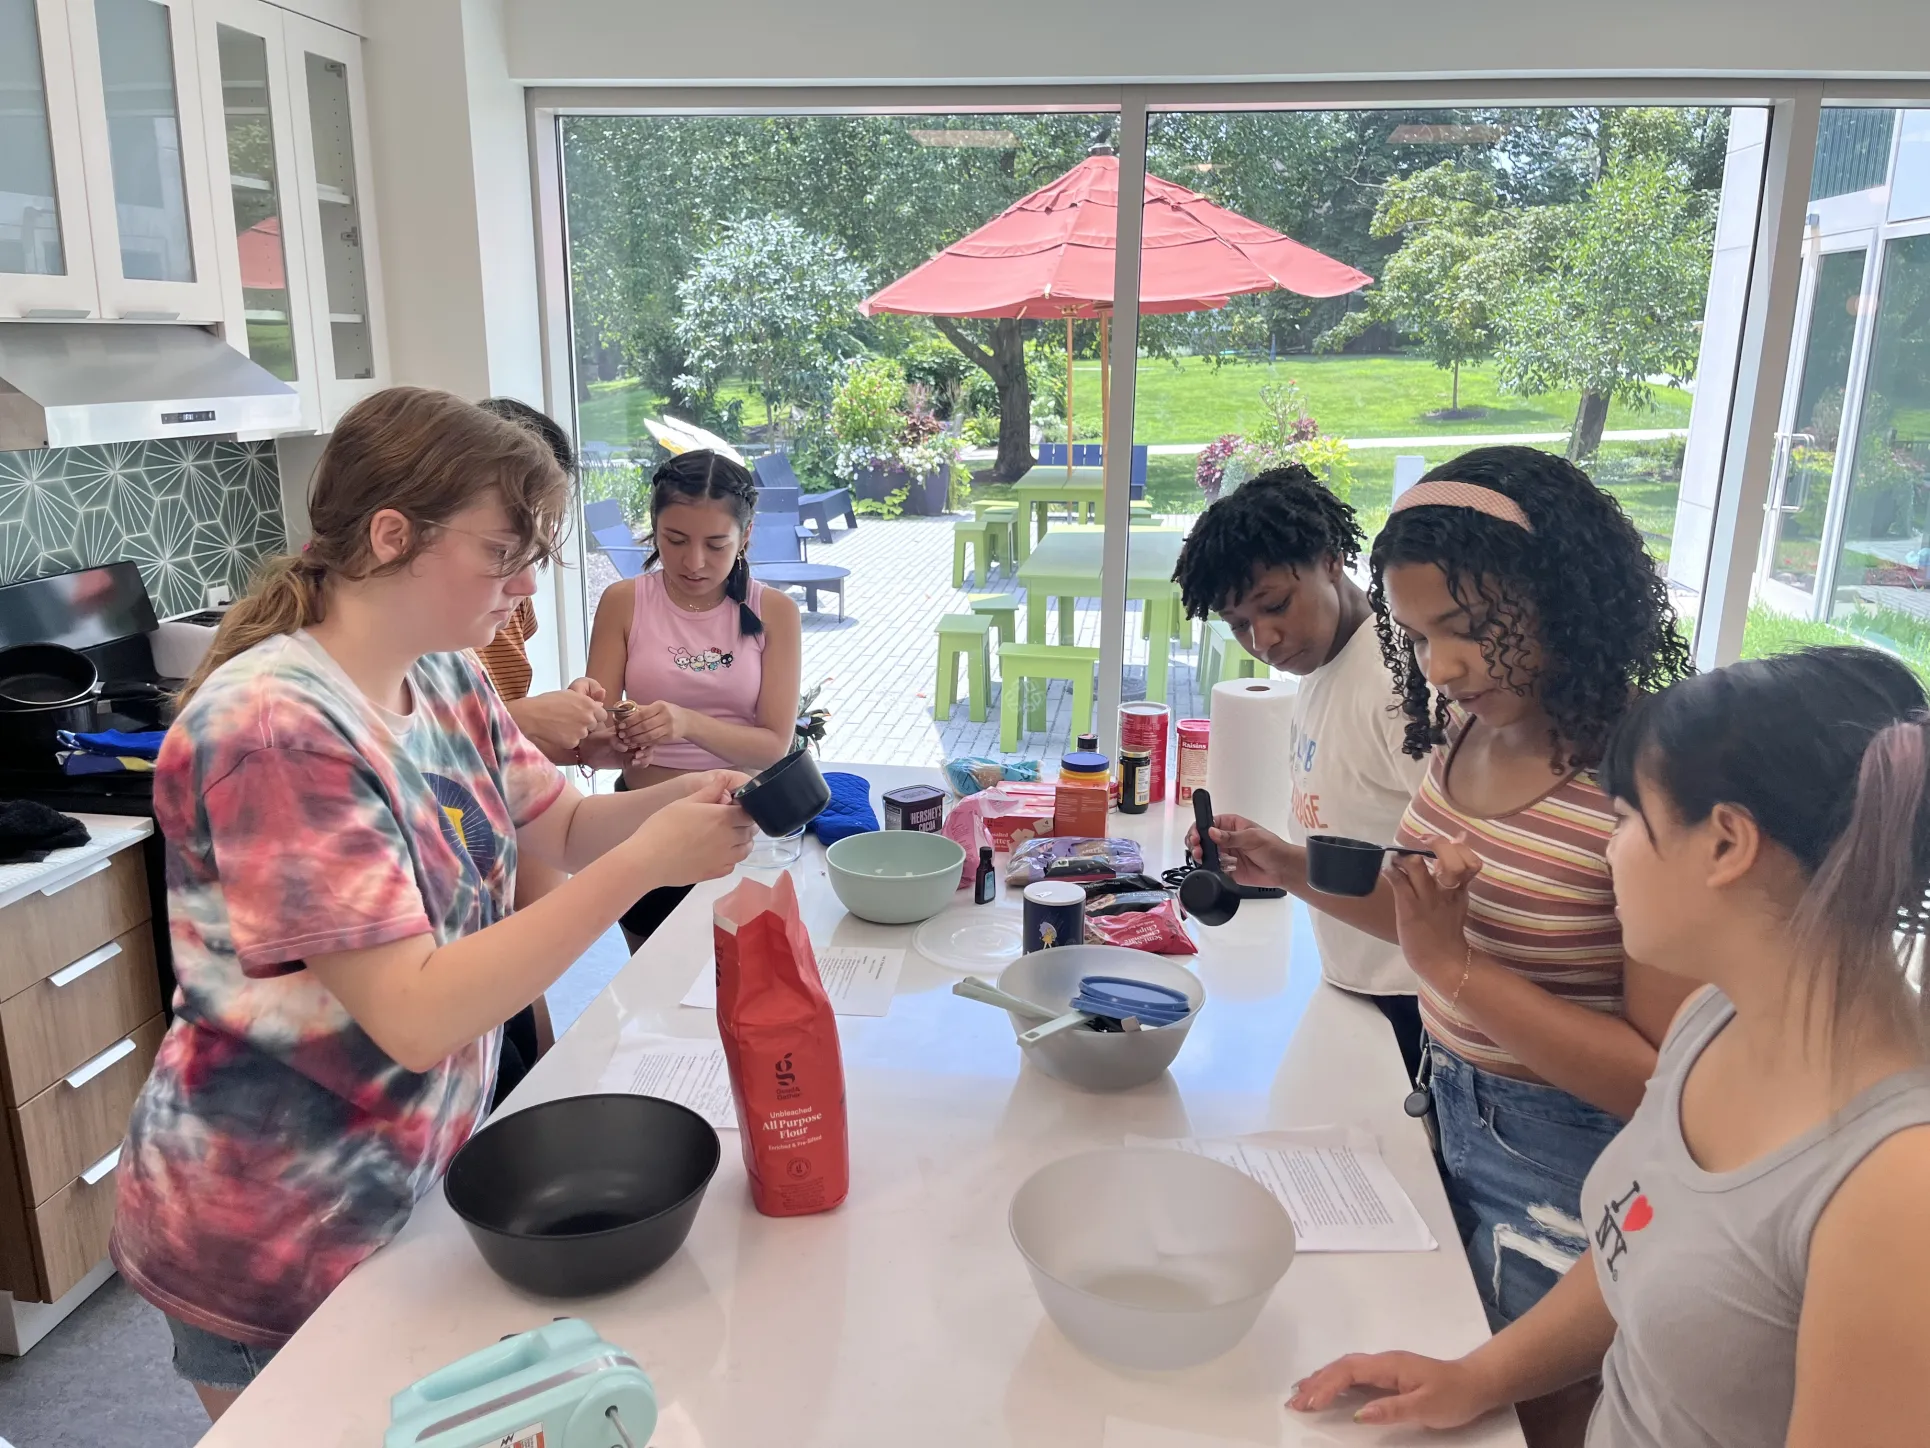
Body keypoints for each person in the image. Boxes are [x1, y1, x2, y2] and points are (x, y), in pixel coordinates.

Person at [109, 388, 756, 1420]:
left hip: (403, 1188)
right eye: (505, 552)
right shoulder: (274, 728)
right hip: (272, 1220)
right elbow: (413, 1012)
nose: (527, 583)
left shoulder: (444, 676)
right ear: (390, 536)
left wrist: (683, 800)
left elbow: (562, 828)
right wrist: (643, 868)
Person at [1290, 646, 1930, 1448]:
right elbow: (1638, 1239)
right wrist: (1475, 1378)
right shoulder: (1715, 1024)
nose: (1607, 850)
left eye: (1625, 821)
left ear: (1726, 844)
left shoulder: (1897, 1189)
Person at [1208, 447, 1694, 1352]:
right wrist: (1289, 866)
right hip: (1446, 1104)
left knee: (1522, 1409)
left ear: (1564, 594)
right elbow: (1421, 919)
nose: (1445, 665)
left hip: (1568, 1159)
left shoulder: (1653, 779)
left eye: (1469, 626)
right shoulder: (1464, 731)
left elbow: (1657, 1083)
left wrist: (1455, 971)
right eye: (1422, 636)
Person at [1173, 465, 1428, 1080]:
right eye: (1238, 624)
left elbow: (1444, 897)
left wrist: (1288, 865)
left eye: (1276, 605)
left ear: (1332, 560)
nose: (1263, 639)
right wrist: (1278, 857)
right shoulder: (1322, 669)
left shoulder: (1401, 685)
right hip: (1354, 984)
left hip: (1418, 1006)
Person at [588, 449, 802, 950]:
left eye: (716, 543)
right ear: (654, 529)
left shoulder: (776, 612)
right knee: (653, 986)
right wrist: (615, 727)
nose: (693, 562)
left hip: (739, 829)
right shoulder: (624, 602)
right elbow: (597, 728)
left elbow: (774, 746)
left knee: (741, 981)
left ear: (746, 536)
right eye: (675, 540)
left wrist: (685, 722)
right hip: (642, 823)